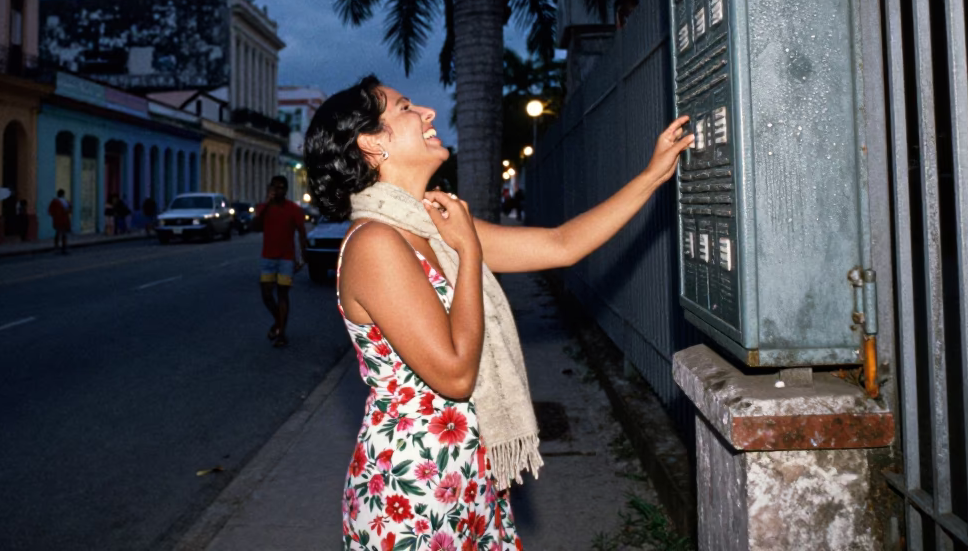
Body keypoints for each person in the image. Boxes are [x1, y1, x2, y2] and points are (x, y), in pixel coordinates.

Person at [303, 75, 691, 550]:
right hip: (413, 491)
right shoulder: (375, 243)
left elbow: (561, 244)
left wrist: (651, 175)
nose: (428, 113)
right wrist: (468, 253)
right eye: (406, 108)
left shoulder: (431, 223)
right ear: (371, 143)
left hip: (469, 472)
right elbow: (456, 373)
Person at [253, 175, 308, 348]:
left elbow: (301, 233)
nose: (278, 190)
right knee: (266, 294)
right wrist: (265, 204)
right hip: (268, 257)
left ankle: (281, 334)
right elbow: (254, 227)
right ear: (270, 189)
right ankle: (279, 322)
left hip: (286, 258)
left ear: (286, 190)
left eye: (281, 187)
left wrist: (303, 257)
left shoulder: (293, 209)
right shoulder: (264, 208)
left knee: (283, 294)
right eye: (275, 187)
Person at [48, 189, 71, 254]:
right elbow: (69, 210)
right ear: (63, 194)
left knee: (59, 233)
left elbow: (50, 211)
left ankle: (59, 247)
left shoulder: (56, 201)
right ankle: (61, 247)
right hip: (63, 219)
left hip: (60, 219)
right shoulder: (63, 201)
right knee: (62, 234)